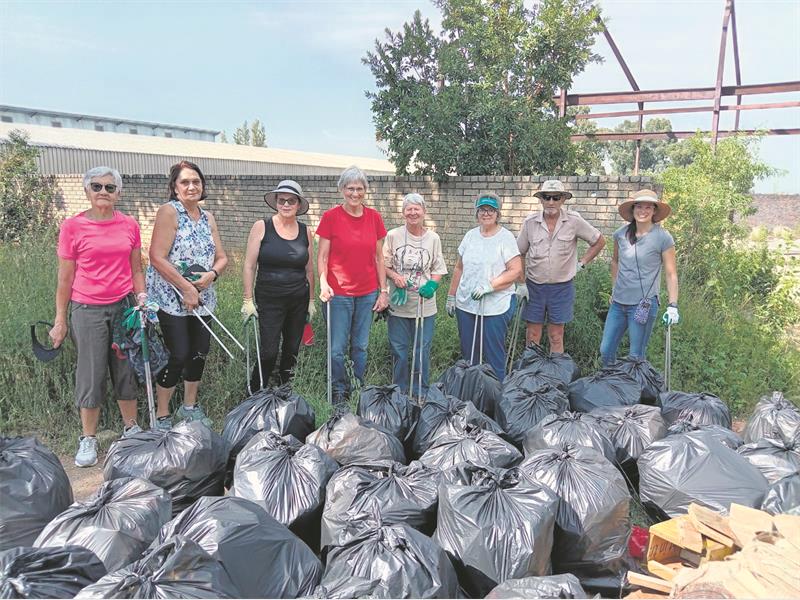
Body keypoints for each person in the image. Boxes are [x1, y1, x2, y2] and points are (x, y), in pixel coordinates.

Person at [50, 166, 146, 467]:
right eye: (97, 186)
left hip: (124, 307)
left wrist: (142, 299)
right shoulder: (72, 227)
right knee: (91, 373)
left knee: (125, 369)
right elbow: (65, 278)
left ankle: (131, 430)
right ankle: (88, 437)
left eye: (109, 187)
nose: (103, 192)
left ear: (118, 193)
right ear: (87, 191)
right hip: (87, 309)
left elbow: (136, 269)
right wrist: (60, 320)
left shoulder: (130, 225)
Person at [147, 160, 228, 429]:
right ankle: (162, 414)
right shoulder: (169, 212)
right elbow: (157, 257)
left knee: (199, 352)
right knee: (179, 353)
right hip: (173, 298)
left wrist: (212, 274)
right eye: (185, 182)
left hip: (203, 297)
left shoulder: (208, 217)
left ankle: (189, 407)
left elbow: (222, 257)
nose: (192, 186)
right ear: (175, 187)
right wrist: (186, 288)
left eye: (196, 181)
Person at [316, 166, 389, 405]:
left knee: (361, 346)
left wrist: (383, 291)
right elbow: (322, 256)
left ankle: (356, 385)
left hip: (367, 293)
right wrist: (323, 283)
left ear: (365, 190)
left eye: (359, 188)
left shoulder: (374, 218)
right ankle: (338, 389)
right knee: (337, 348)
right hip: (338, 294)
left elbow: (379, 258)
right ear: (342, 189)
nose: (355, 193)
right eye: (350, 188)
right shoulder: (331, 217)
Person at [241, 180, 315, 390]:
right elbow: (249, 266)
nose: (286, 204)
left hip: (298, 300)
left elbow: (309, 270)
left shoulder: (305, 231)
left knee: (292, 350)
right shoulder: (261, 226)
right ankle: (257, 392)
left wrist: (311, 300)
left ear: (298, 205)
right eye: (281, 200)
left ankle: (285, 391)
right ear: (275, 202)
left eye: (291, 200)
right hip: (269, 299)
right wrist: (247, 300)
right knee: (269, 352)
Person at [517, 179, 605, 353]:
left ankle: (556, 368)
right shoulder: (530, 222)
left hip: (562, 288)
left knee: (556, 335)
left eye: (556, 197)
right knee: (532, 334)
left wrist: (582, 263)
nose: (551, 202)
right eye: (547, 197)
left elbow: (599, 241)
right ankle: (531, 367)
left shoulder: (574, 221)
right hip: (534, 286)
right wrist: (521, 284)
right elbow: (520, 253)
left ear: (563, 199)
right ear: (541, 199)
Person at [446, 193, 523, 381]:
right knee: (469, 353)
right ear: (477, 212)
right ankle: (472, 388)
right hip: (467, 303)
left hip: (495, 305)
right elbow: (459, 267)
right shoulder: (470, 236)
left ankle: (496, 390)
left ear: (498, 214)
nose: (486, 213)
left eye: (490, 210)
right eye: (482, 210)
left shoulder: (505, 238)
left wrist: (490, 286)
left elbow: (515, 270)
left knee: (493, 352)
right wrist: (451, 295)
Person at [599, 189, 679, 366]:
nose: (643, 211)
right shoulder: (620, 234)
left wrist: (673, 305)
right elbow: (615, 262)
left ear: (654, 211)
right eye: (639, 207)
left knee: (635, 356)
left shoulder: (663, 237)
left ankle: (633, 383)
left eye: (648, 207)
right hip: (618, 303)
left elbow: (671, 273)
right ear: (633, 209)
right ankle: (609, 381)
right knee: (606, 351)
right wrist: (614, 288)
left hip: (643, 304)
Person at [384, 193, 448, 398]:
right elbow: (383, 266)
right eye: (409, 209)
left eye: (416, 209)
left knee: (422, 350)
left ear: (424, 212)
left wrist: (432, 285)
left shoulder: (433, 238)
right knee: (399, 349)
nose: (413, 212)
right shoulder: (393, 235)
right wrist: (395, 277)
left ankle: (421, 391)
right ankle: (399, 392)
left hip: (424, 305)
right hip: (398, 304)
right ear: (403, 212)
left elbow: (438, 268)